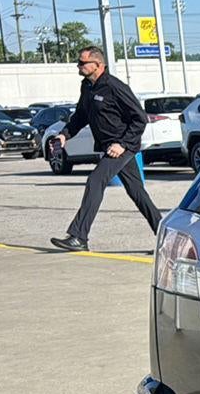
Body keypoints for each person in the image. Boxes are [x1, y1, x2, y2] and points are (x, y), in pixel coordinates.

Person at [49, 47, 163, 252]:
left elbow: (140, 118)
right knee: (138, 193)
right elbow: (80, 116)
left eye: (82, 63)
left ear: (98, 65)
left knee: (95, 180)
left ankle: (78, 236)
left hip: (121, 146)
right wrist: (64, 135)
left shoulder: (114, 86)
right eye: (79, 62)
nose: (78, 66)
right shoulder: (87, 86)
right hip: (108, 147)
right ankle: (167, 239)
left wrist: (124, 144)